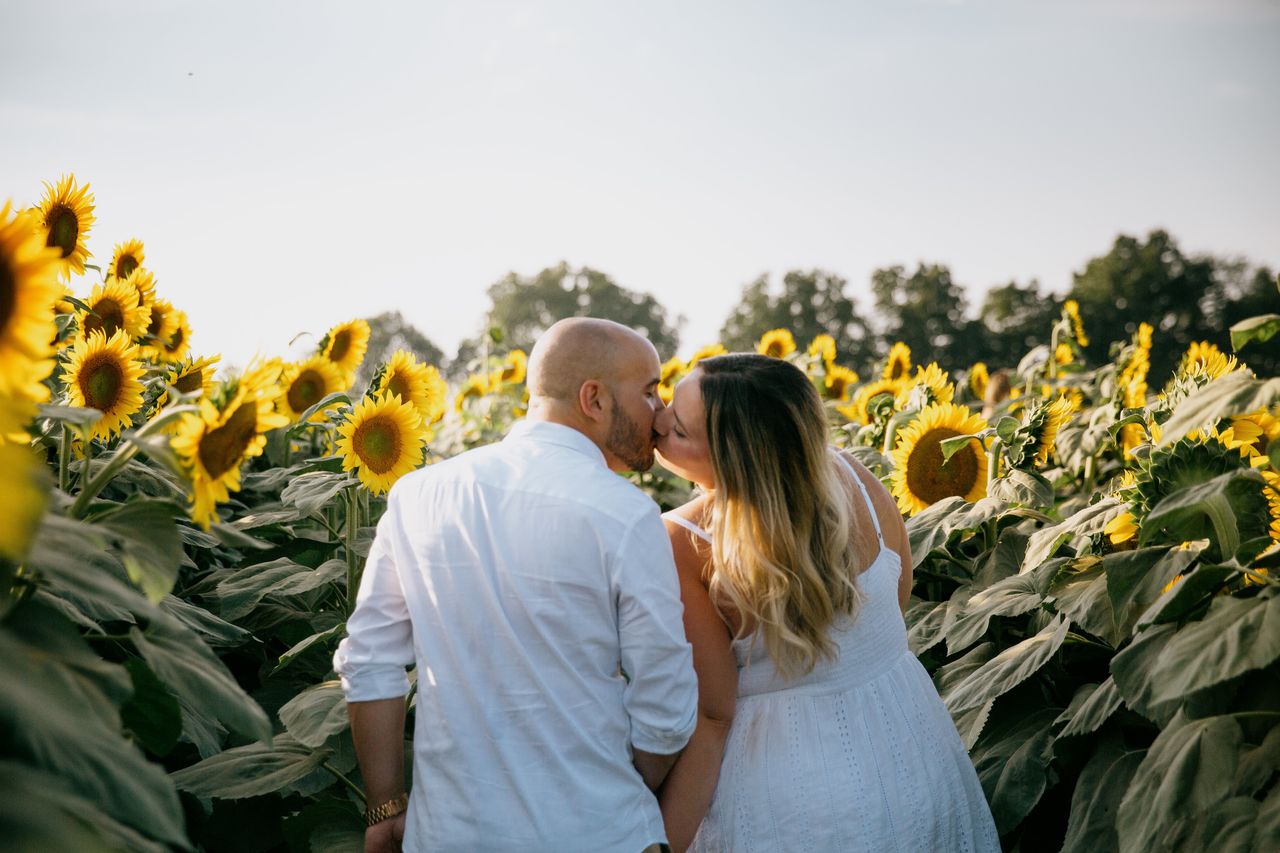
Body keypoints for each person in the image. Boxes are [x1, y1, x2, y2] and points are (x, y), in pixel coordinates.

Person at [334, 318, 698, 853]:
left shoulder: (418, 496)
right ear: (593, 399)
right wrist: (608, 789)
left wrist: (386, 806)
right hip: (596, 835)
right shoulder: (625, 515)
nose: (660, 412)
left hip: (449, 834)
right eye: (649, 391)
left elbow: (369, 664)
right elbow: (666, 704)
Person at [652, 353, 1000, 852]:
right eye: (668, 401)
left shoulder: (682, 540)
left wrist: (661, 842)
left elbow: (712, 714)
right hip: (910, 755)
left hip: (783, 797)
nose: (659, 423)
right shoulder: (856, 478)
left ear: (733, 462)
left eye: (680, 430)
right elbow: (892, 613)